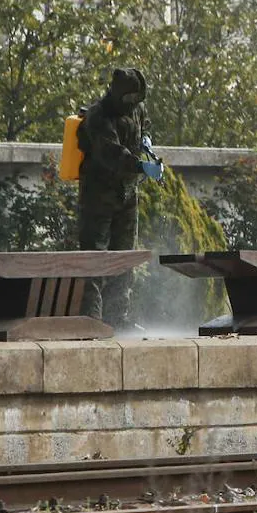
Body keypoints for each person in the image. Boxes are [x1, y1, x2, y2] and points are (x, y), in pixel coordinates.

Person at [77, 67, 163, 329]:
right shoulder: (98, 116)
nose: (134, 105)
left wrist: (146, 140)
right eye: (130, 100)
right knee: (95, 257)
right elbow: (112, 153)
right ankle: (92, 319)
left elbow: (143, 122)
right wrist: (140, 167)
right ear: (118, 95)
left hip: (126, 193)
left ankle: (119, 318)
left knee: (124, 256)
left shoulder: (135, 109)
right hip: (98, 196)